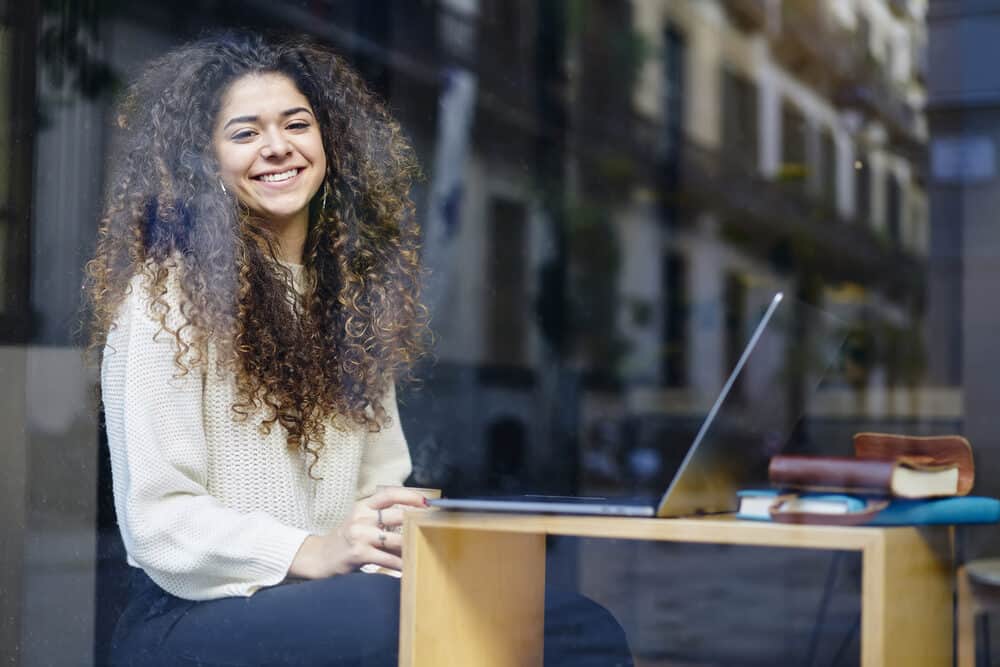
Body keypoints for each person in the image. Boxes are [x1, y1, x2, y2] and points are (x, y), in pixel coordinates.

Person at [86, 30, 632, 666]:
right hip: (189, 618)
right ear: (201, 161)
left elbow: (379, 487)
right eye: (245, 133)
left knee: (579, 626)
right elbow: (157, 520)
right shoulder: (166, 296)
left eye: (297, 124)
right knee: (396, 623)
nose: (278, 147)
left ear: (328, 143)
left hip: (336, 600)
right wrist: (310, 551)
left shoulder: (346, 300)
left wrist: (403, 530)